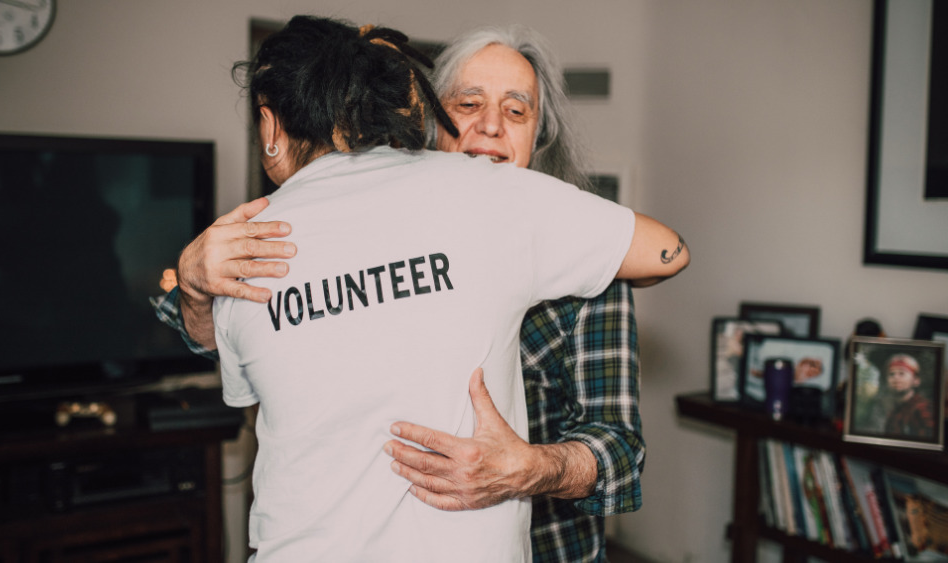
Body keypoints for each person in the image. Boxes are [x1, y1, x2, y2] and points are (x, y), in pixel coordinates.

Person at [153, 24, 658, 562]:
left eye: (517, 112)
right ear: (426, 117)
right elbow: (221, 327)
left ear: (538, 136)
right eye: (467, 103)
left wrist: (529, 469)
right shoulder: (376, 217)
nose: (490, 127)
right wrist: (193, 280)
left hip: (551, 549)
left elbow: (621, 451)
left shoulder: (590, 261)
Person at [882, 354, 935, 438]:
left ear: (916, 380)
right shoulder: (893, 413)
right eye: (891, 374)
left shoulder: (923, 409)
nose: (896, 377)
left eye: (902, 373)